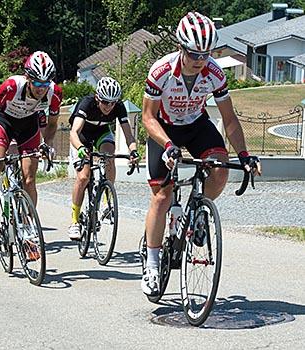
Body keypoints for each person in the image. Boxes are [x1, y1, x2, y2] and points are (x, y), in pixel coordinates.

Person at [140, 12, 261, 296]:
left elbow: (229, 119)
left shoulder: (215, 73)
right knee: (162, 195)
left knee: (220, 168)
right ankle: (154, 262)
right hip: (164, 128)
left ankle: (197, 212)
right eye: (194, 53)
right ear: (181, 48)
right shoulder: (161, 71)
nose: (200, 59)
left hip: (196, 125)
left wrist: (244, 153)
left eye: (205, 53)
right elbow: (147, 117)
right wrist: (168, 146)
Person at [0, 51, 62, 244]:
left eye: (45, 83)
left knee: (29, 179)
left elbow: (53, 124)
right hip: (4, 124)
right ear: (27, 77)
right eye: (37, 83)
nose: (41, 88)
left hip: (28, 128)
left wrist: (46, 145)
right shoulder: (12, 86)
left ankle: (28, 226)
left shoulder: (54, 92)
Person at [68, 77, 139, 240]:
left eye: (113, 102)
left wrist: (134, 151)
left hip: (101, 133)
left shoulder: (118, 108)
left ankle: (108, 202)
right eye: (106, 102)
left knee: (109, 156)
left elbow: (129, 135)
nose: (109, 106)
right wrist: (80, 148)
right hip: (82, 136)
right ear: (97, 98)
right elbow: (74, 132)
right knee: (83, 176)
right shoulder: (87, 103)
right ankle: (74, 221)